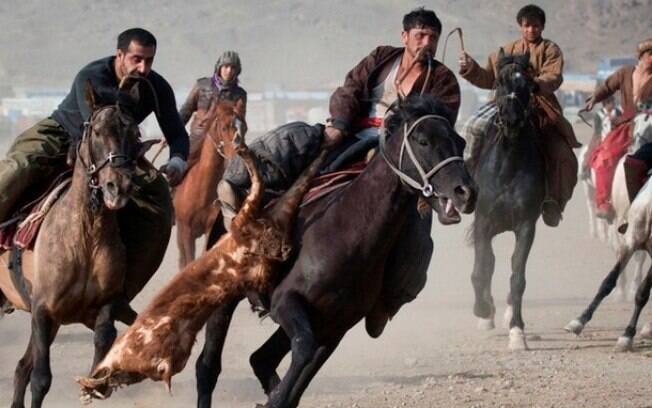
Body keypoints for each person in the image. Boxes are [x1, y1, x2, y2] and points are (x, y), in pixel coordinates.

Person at [217, 7, 461, 335]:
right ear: (405, 37)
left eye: (432, 37)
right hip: (353, 131)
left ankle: (386, 302)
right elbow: (350, 88)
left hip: (403, 158)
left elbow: (438, 126)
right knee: (294, 136)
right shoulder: (382, 58)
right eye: (420, 36)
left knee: (418, 239)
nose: (426, 43)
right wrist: (340, 123)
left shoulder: (443, 81)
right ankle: (239, 187)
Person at [0, 28, 189, 307]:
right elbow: (93, 131)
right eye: (137, 59)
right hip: (65, 133)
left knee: (159, 198)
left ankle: (122, 289)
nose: (143, 67)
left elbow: (176, 132)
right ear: (120, 55)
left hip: (117, 151)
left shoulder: (156, 87)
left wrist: (177, 160)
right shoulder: (91, 77)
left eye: (149, 60)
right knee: (19, 169)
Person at [459, 4, 581, 227]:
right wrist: (470, 68)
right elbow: (488, 79)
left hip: (539, 104)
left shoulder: (550, 50)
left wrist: (534, 83)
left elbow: (554, 77)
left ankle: (553, 201)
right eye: (527, 26)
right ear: (520, 26)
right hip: (503, 104)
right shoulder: (505, 50)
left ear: (542, 26)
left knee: (561, 152)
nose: (531, 30)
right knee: (471, 127)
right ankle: (466, 188)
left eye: (535, 26)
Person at [585, 38, 652, 216]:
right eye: (651, 54)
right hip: (626, 125)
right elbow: (607, 86)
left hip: (650, 125)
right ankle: (604, 202)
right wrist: (594, 99)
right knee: (604, 157)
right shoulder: (625, 72)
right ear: (642, 56)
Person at [179, 50, 247, 162]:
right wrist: (171, 133)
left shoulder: (239, 94)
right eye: (226, 66)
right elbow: (186, 110)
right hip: (198, 136)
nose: (229, 71)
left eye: (232, 68)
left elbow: (241, 119)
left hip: (225, 140)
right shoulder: (202, 85)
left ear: (237, 71)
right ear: (219, 67)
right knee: (179, 163)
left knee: (240, 170)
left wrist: (239, 130)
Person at [579, 95, 622, 180]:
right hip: (602, 138)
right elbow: (598, 131)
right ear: (605, 104)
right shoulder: (598, 115)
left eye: (613, 102)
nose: (613, 104)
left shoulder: (617, 112)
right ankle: (586, 170)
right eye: (611, 103)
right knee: (591, 152)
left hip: (616, 139)